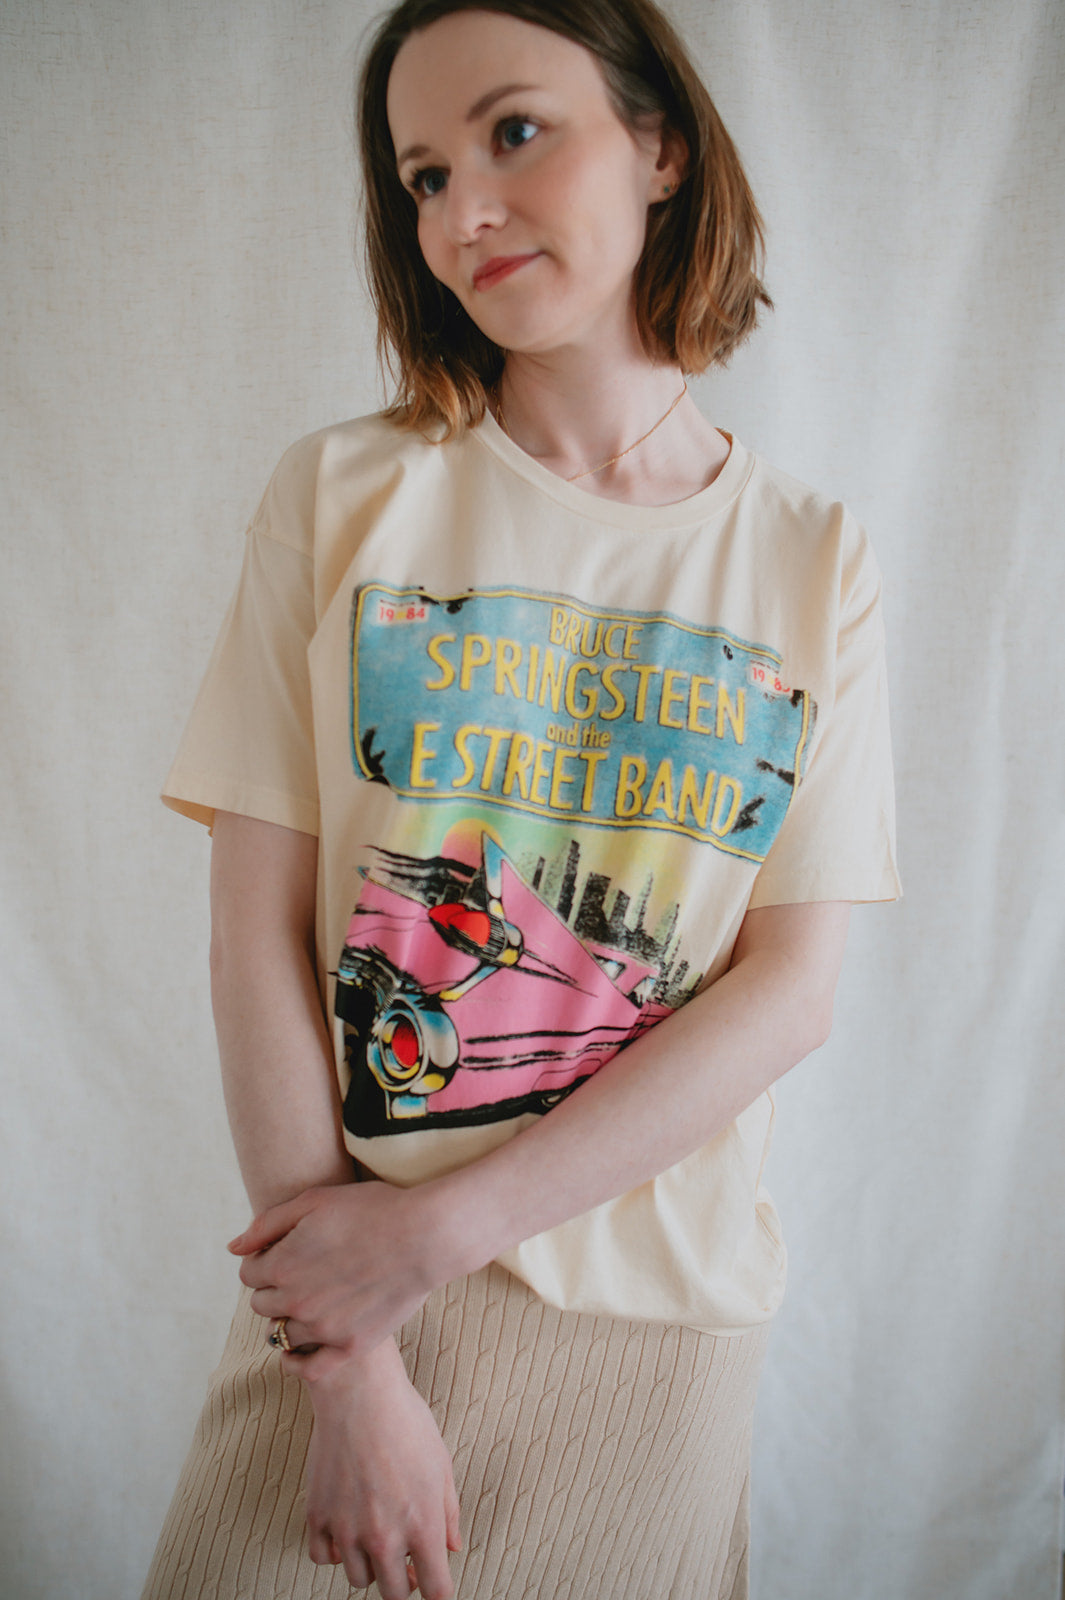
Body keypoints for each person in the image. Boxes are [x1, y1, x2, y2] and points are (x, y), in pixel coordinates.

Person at [143, 1, 900, 1597]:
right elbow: (254, 937)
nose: (461, 211)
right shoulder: (344, 496)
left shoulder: (809, 558)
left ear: (660, 147)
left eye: (513, 132)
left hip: (650, 1324)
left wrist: (433, 1234)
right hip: (352, 1308)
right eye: (421, 175)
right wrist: (349, 1363)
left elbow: (790, 989)